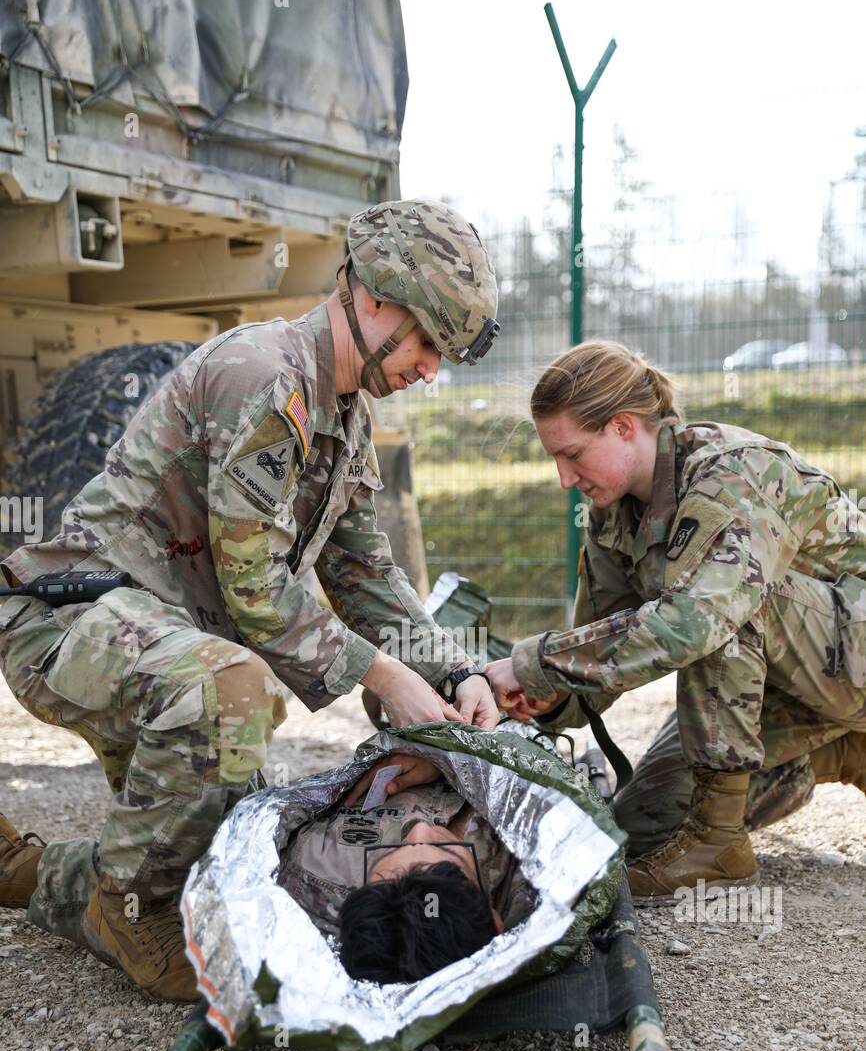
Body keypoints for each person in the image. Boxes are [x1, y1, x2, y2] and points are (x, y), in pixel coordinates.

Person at [0, 199, 502, 1001]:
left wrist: (448, 672)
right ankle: (133, 917)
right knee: (232, 695)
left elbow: (363, 570)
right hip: (72, 622)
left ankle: (28, 873)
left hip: (165, 640)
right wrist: (386, 678)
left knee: (242, 852)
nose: (429, 371)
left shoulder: (343, 414)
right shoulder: (267, 376)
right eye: (425, 342)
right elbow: (258, 589)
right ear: (371, 297)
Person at [484, 340, 866, 900]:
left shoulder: (729, 476)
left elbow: (695, 623)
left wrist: (534, 665)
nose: (565, 477)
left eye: (572, 455)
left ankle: (719, 841)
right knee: (641, 825)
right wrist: (548, 699)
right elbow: (606, 640)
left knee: (721, 603)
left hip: (850, 651)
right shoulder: (612, 512)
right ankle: (846, 749)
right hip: (794, 676)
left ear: (621, 427)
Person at [280, 750, 531, 984]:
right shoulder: (531, 886)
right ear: (495, 922)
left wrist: (432, 754)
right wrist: (448, 762)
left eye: (393, 850)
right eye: (446, 851)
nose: (420, 830)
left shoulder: (321, 866)